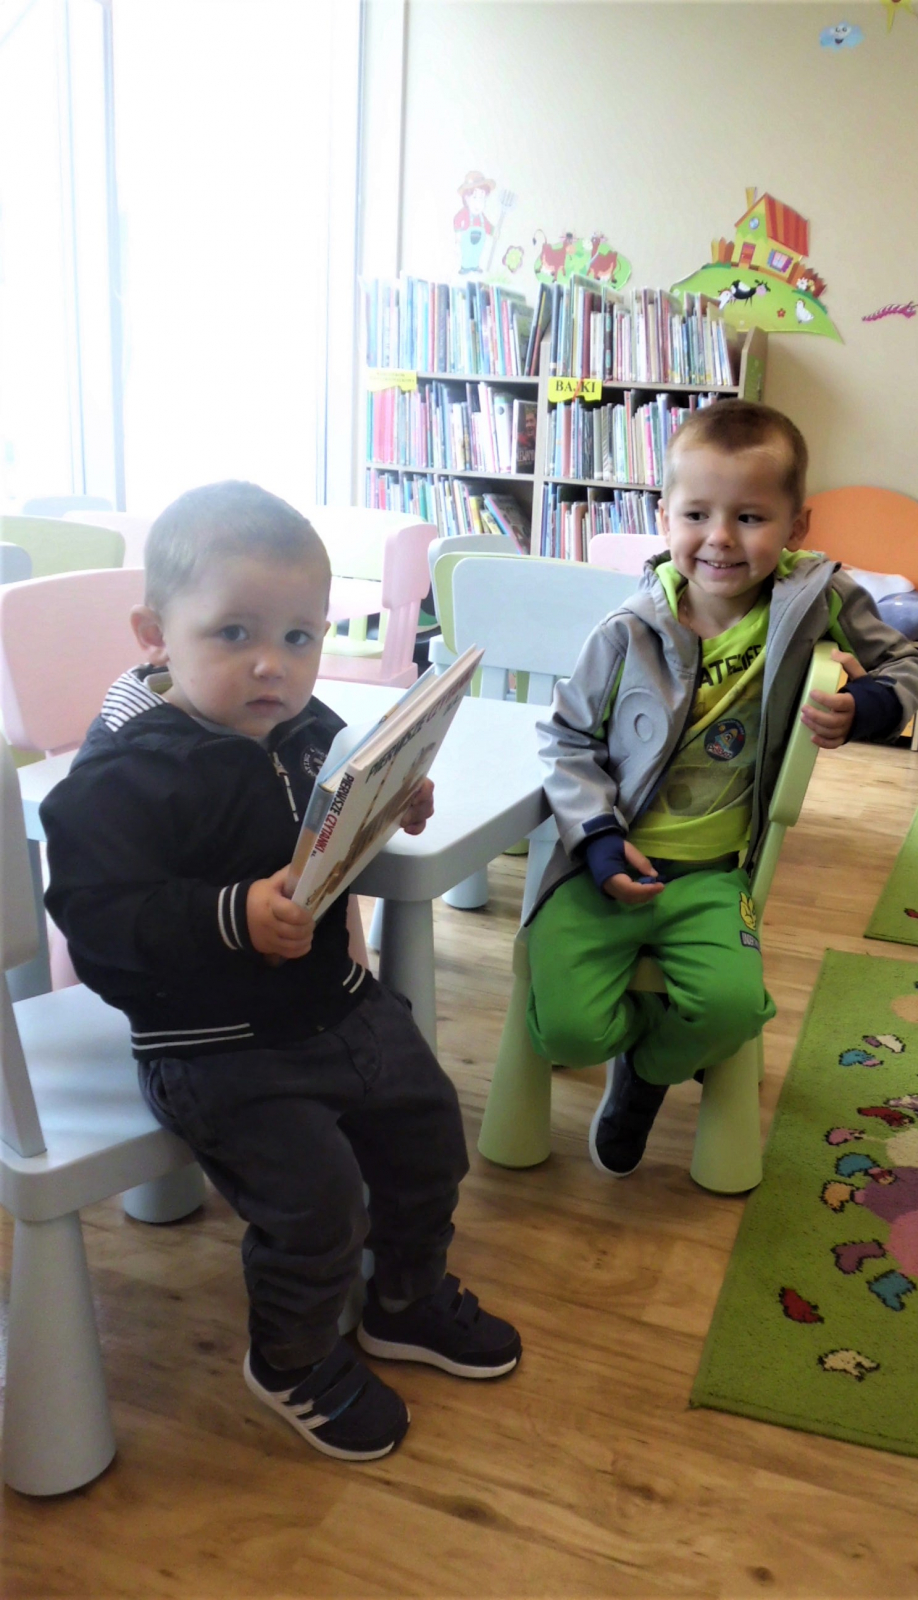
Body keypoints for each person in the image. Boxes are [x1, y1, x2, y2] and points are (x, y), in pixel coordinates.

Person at [40, 482, 520, 1463]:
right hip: (214, 1045)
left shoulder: (303, 727)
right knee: (316, 1205)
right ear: (155, 635)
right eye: (234, 633)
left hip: (333, 1003)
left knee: (431, 1132)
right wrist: (234, 916)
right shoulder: (124, 774)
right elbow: (98, 922)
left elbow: (335, 810)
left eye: (300, 637)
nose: (273, 664)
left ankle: (403, 1299)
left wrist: (392, 801)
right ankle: (292, 1359)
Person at [526, 401, 918, 1177]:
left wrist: (869, 705)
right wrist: (598, 837)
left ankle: (645, 1076)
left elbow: (904, 663)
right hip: (602, 865)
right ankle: (642, 1037)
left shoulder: (817, 598)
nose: (719, 538)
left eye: (749, 517)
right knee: (566, 1032)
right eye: (697, 514)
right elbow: (567, 738)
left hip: (715, 875)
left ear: (796, 526)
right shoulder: (627, 628)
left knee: (733, 1010)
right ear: (663, 517)